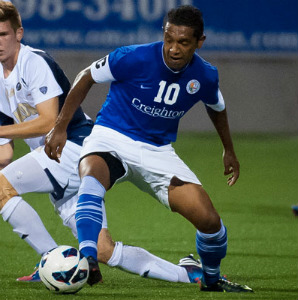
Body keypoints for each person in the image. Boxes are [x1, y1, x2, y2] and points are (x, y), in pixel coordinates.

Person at [45, 5, 253, 293]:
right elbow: (86, 77)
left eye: (183, 42)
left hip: (158, 151)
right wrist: (60, 126)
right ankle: (89, 257)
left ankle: (212, 279)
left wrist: (228, 149)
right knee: (91, 176)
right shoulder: (132, 57)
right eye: (169, 39)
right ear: (163, 34)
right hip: (111, 136)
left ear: (199, 42)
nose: (174, 49)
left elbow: (217, 107)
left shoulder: (205, 75)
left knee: (209, 221)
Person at [0, 1, 203, 286]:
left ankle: (52, 260)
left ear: (18, 34)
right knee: (104, 250)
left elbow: (48, 122)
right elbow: (5, 150)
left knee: (1, 187)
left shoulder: (33, 62)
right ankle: (188, 274)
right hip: (53, 159)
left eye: (3, 34)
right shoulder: (0, 77)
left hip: (74, 150)